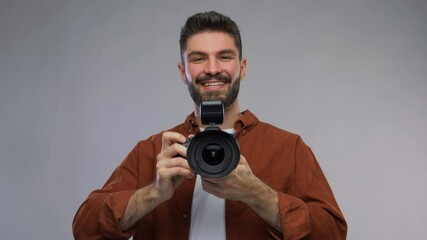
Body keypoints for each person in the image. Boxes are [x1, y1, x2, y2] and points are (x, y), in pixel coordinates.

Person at [72, 11, 347, 240]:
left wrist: (258, 194)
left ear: (242, 67)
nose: (212, 68)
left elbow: (333, 233)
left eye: (225, 56)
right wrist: (153, 194)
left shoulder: (288, 149)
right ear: (183, 72)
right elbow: (85, 229)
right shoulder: (154, 151)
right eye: (198, 58)